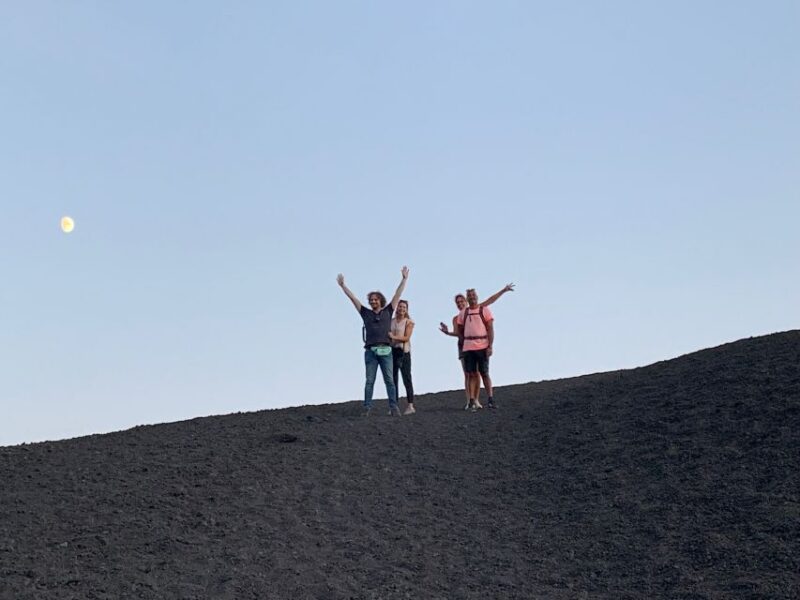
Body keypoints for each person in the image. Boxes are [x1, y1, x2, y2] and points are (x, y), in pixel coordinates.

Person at [337, 267, 409, 416]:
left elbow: (398, 294)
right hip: (370, 351)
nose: (373, 301)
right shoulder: (365, 313)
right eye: (371, 300)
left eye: (375, 299)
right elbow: (354, 299)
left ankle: (393, 407)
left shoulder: (388, 311)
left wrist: (404, 279)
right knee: (370, 381)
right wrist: (344, 286)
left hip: (386, 350)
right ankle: (367, 407)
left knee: (389, 380)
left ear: (380, 300)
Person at [440, 284, 513, 410]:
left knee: (482, 373)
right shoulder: (460, 316)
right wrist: (448, 333)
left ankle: (481, 399)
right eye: (458, 302)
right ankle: (470, 400)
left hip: (481, 345)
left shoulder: (481, 309)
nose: (460, 303)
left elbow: (491, 301)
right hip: (466, 346)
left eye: (462, 300)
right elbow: (459, 332)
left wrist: (503, 290)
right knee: (469, 373)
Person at [389, 299, 416, 415]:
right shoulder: (391, 321)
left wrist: (393, 337)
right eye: (400, 307)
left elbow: (406, 337)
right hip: (393, 351)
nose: (401, 309)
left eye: (404, 307)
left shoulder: (409, 322)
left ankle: (410, 405)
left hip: (404, 352)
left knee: (407, 378)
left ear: (406, 309)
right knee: (393, 379)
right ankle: (394, 406)